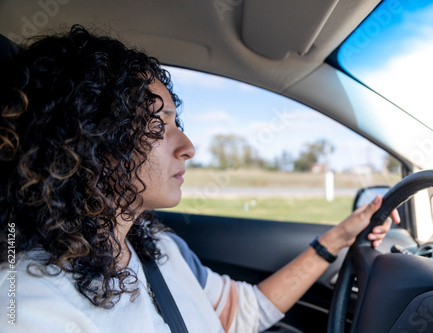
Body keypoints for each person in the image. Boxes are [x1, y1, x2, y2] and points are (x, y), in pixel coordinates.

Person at [0, 25, 399, 333]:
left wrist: (339, 238)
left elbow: (240, 313)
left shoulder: (156, 246)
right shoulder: (28, 306)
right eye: (158, 126)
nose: (188, 146)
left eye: (178, 123)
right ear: (88, 138)